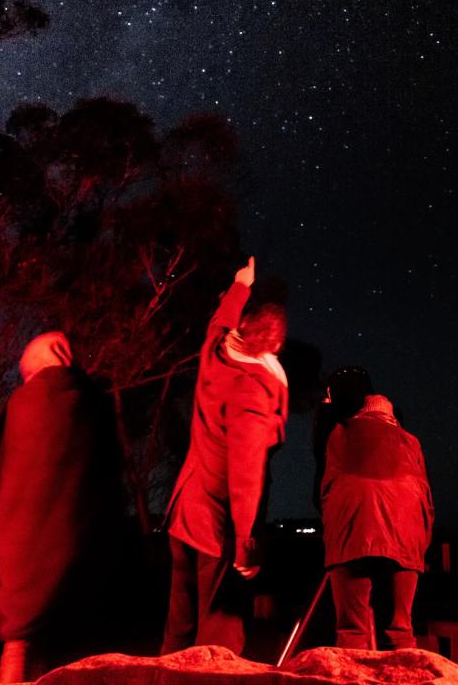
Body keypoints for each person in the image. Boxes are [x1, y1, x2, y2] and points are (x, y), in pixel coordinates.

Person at [161, 256, 288, 655]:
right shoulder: (252, 391)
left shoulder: (217, 352)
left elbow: (217, 322)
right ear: (277, 346)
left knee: (179, 632)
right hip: (216, 528)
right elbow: (246, 472)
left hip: (183, 515)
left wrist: (240, 284)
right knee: (218, 642)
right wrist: (247, 544)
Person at [0, 331, 123, 684]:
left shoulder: (19, 405)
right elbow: (109, 472)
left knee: (20, 646)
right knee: (72, 661)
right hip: (78, 553)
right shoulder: (95, 404)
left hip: (19, 553)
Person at [321, 393, 433, 650]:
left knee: (351, 630)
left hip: (350, 534)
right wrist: (420, 548)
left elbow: (326, 488)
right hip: (406, 534)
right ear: (391, 416)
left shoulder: (339, 434)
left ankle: (350, 677)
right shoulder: (410, 442)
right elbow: (426, 496)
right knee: (400, 630)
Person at [311, 366, 373, 513]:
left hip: (351, 523)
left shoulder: (333, 430)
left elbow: (321, 495)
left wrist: (323, 415)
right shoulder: (405, 438)